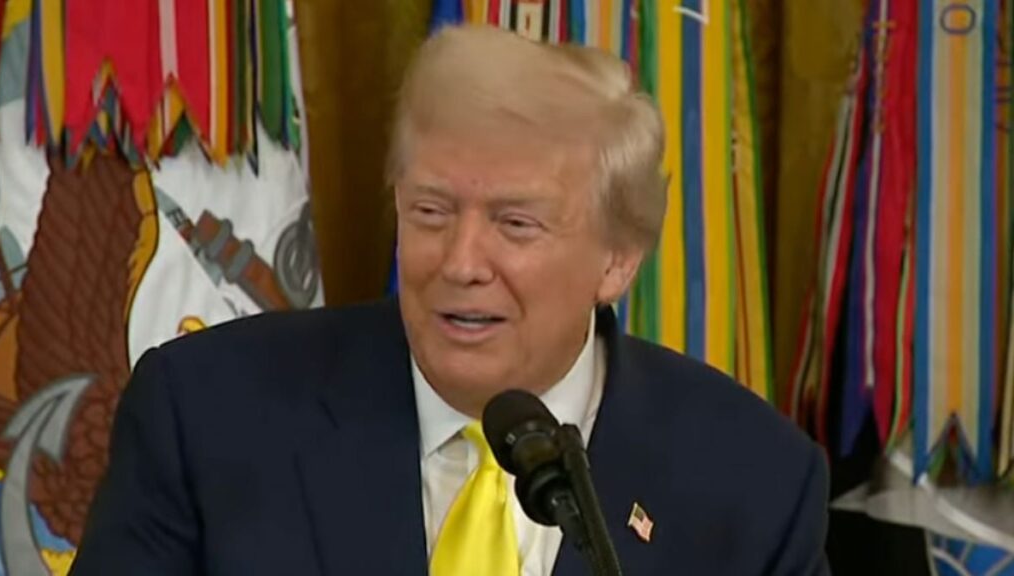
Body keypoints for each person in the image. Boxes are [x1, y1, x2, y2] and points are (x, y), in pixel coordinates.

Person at [71, 24, 828, 576]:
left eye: (516, 224)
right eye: (430, 212)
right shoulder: (207, 414)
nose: (460, 263)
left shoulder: (751, 483)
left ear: (618, 259)